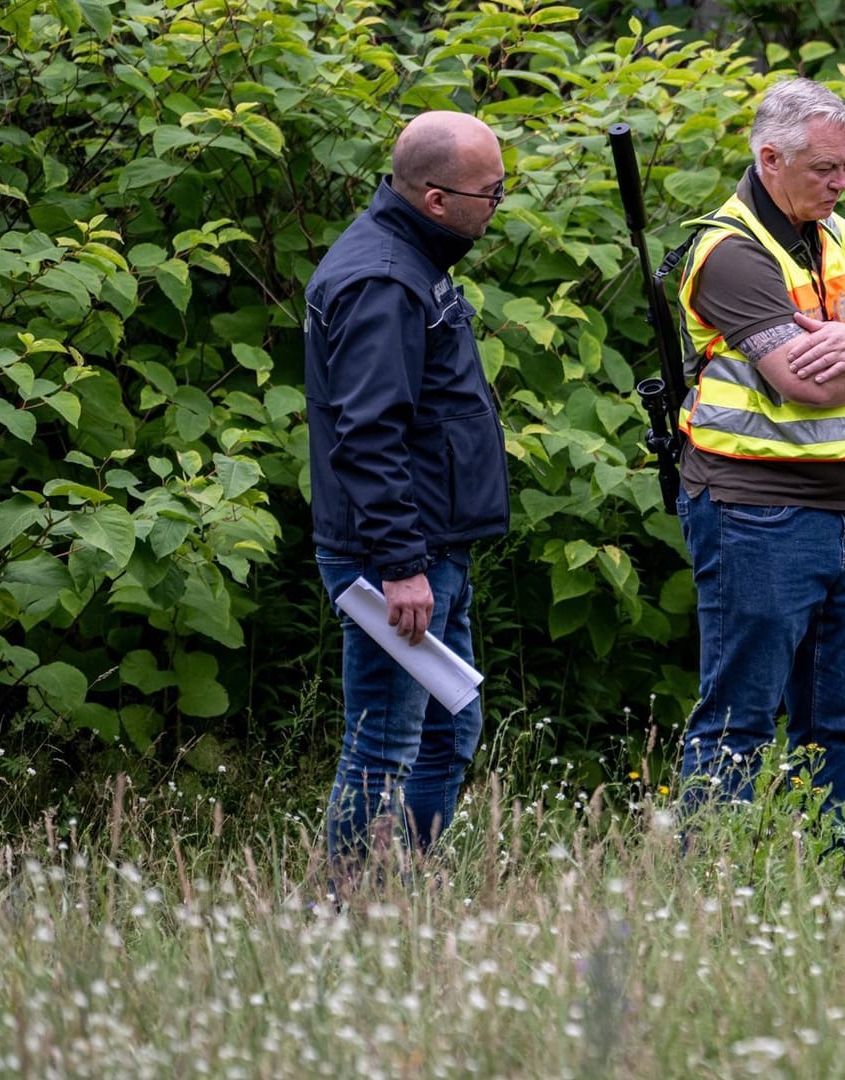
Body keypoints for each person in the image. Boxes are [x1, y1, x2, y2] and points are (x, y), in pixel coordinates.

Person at [670, 78, 845, 813]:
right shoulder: (728, 252)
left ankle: (825, 885)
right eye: (825, 168)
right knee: (737, 723)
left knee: (840, 722)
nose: (841, 182)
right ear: (770, 159)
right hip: (756, 513)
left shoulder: (838, 235)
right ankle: (707, 893)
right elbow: (803, 384)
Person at [304, 112, 511, 875]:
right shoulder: (384, 280)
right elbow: (367, 432)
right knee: (385, 741)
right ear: (434, 197)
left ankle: (409, 887)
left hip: (430, 548)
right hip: (397, 559)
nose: (497, 203)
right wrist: (399, 565)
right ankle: (348, 906)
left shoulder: (411, 259)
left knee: (448, 728)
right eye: (490, 192)